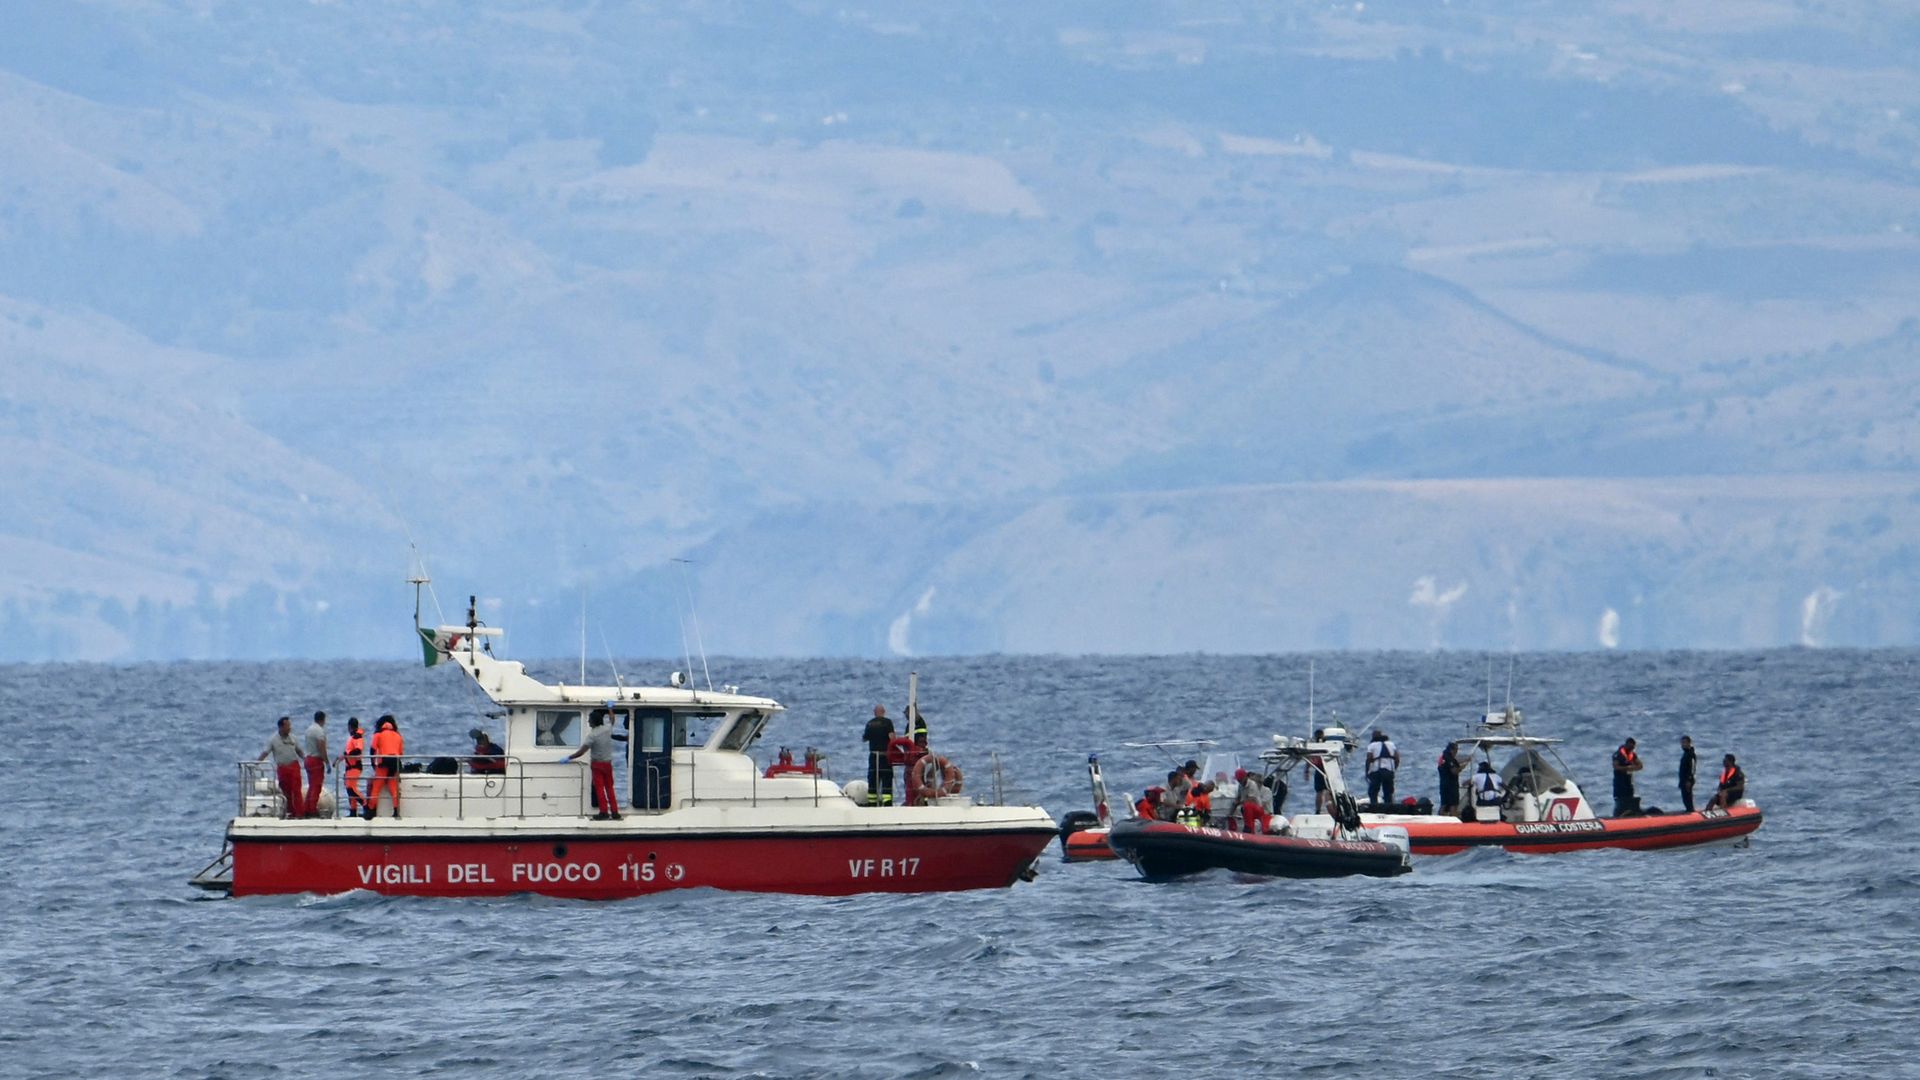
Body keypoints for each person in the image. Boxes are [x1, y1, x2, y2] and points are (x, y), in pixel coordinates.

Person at [567, 709, 623, 820]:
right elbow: (612, 719)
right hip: (608, 764)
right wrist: (610, 708)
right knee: (610, 788)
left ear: (593, 722)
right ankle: (615, 812)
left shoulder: (592, 736)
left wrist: (568, 758)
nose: (588, 722)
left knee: (600, 789)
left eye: (589, 720)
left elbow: (582, 752)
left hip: (597, 765)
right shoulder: (607, 729)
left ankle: (603, 812)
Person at [257, 716, 304, 819]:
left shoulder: (293, 738)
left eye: (289, 726)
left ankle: (300, 814)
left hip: (294, 766)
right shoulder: (273, 740)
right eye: (287, 726)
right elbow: (265, 752)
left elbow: (299, 751)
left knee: (296, 791)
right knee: (286, 792)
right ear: (281, 727)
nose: (289, 728)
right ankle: (290, 813)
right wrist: (256, 763)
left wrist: (306, 760)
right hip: (282, 768)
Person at [365, 714, 404, 819]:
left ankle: (370, 810)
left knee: (376, 788)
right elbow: (401, 753)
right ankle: (396, 811)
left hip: (383, 764)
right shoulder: (398, 736)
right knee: (393, 788)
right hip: (395, 763)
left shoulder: (378, 735)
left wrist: (374, 764)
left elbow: (372, 750)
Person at [862, 705, 895, 807]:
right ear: (883, 712)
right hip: (885, 757)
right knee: (886, 779)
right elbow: (892, 738)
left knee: (873, 780)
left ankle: (872, 804)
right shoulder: (887, 722)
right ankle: (887, 804)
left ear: (874, 712)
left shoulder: (870, 723)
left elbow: (864, 738)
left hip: (873, 756)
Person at [339, 717, 369, 817]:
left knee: (351, 789)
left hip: (354, 767)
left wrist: (347, 754)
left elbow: (358, 750)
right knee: (349, 790)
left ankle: (365, 805)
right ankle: (353, 811)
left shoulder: (357, 737)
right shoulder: (353, 737)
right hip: (349, 767)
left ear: (349, 727)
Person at [301, 711, 329, 817]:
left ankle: (307, 807)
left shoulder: (309, 730)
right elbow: (321, 747)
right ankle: (312, 810)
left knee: (311, 785)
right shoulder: (319, 731)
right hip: (316, 760)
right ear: (323, 719)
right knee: (316, 786)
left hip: (308, 759)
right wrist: (326, 762)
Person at [1365, 729, 1398, 808]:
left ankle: (1374, 808)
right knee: (1388, 791)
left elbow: (1369, 759)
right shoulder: (1391, 744)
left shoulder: (1372, 745)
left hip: (1376, 772)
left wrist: (1367, 771)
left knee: (1373, 791)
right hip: (1389, 771)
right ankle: (1389, 808)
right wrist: (1394, 769)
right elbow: (1397, 758)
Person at [1611, 737, 1643, 817]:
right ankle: (1618, 815)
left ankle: (1630, 813)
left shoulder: (1632, 755)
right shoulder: (1618, 754)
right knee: (1620, 799)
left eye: (1633, 747)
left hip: (1628, 780)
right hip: (1619, 781)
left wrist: (1632, 768)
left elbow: (1640, 765)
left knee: (1630, 797)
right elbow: (1616, 767)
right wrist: (1627, 768)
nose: (1632, 749)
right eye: (1631, 747)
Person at [1437, 743, 1464, 815]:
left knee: (1444, 803)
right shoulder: (1448, 758)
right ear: (1452, 750)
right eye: (1456, 750)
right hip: (1451, 785)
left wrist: (1466, 759)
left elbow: (1454, 763)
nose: (1456, 752)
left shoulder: (1442, 757)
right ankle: (1454, 820)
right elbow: (1454, 771)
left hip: (1443, 783)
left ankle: (1439, 820)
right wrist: (1462, 768)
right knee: (1453, 804)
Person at [1678, 735, 1697, 813]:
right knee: (1684, 796)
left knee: (1688, 796)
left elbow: (1692, 767)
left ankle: (1690, 810)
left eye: (1685, 743)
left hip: (1688, 779)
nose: (1683, 745)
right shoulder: (1685, 754)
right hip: (1683, 779)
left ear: (1689, 743)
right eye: (1682, 743)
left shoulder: (1690, 754)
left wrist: (1689, 779)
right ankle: (1688, 809)